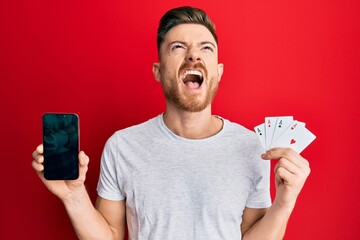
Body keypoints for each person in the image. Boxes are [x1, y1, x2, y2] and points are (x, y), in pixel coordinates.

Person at [32, 6, 310, 240]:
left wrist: (285, 203)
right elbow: (111, 235)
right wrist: (73, 196)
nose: (193, 55)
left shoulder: (252, 146)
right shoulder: (122, 146)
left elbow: (251, 234)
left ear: (218, 71)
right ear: (158, 70)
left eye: (206, 48)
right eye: (178, 47)